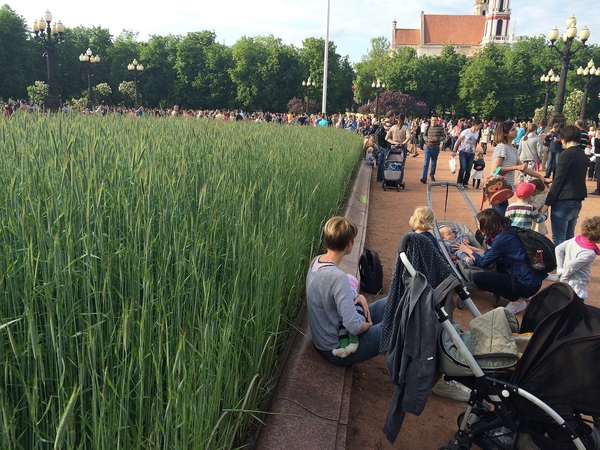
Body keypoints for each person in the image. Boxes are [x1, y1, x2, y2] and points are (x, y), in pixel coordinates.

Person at [305, 216, 387, 366]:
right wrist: (369, 326)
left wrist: (359, 295)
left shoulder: (317, 261)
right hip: (337, 346)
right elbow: (354, 327)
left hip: (327, 336)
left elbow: (335, 293)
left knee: (390, 302)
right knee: (396, 326)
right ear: (349, 244)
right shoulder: (337, 277)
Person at [455, 209, 547, 314]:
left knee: (478, 278)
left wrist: (467, 250)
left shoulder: (501, 239)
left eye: (480, 225)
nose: (479, 228)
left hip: (526, 284)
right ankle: (520, 292)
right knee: (498, 263)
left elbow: (483, 263)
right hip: (534, 280)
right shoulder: (510, 230)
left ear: (487, 225)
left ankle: (518, 301)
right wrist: (473, 249)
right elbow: (494, 253)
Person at [539, 125, 589, 246]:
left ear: (563, 138)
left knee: (559, 237)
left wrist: (547, 203)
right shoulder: (582, 155)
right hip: (577, 198)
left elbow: (559, 180)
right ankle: (568, 262)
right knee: (569, 236)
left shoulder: (565, 154)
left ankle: (561, 264)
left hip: (563, 199)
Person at [490, 120, 547, 216]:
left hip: (505, 188)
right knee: (500, 219)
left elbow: (523, 168)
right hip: (498, 187)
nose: (516, 131)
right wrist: (515, 167)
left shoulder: (512, 148)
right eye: (513, 130)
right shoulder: (502, 147)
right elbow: (495, 169)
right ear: (505, 133)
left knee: (501, 218)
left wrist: (539, 176)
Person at [555, 216, 600, 301]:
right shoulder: (590, 253)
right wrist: (563, 280)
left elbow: (559, 249)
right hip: (576, 287)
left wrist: (560, 268)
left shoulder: (576, 239)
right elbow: (570, 266)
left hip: (567, 284)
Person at [331, 274, 365, 357]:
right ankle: (343, 347)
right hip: (346, 320)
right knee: (342, 330)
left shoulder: (349, 292)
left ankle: (353, 342)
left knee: (349, 329)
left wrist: (368, 325)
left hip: (356, 318)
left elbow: (354, 326)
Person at [452, 118, 483, 189]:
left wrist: (474, 151)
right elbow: (458, 141)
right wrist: (454, 150)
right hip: (463, 152)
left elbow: (475, 143)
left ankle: (465, 183)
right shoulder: (465, 132)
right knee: (463, 167)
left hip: (471, 153)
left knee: (468, 169)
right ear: (475, 125)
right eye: (480, 125)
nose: (480, 127)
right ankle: (459, 182)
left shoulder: (477, 133)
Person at [421, 114, 446, 184]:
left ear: (437, 120)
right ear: (430, 120)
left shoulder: (440, 127)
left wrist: (437, 139)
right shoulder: (427, 127)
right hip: (428, 147)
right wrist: (427, 139)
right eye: (432, 120)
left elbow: (444, 137)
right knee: (426, 163)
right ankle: (424, 177)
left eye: (435, 120)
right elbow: (424, 135)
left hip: (435, 148)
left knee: (434, 162)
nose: (434, 122)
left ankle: (432, 174)